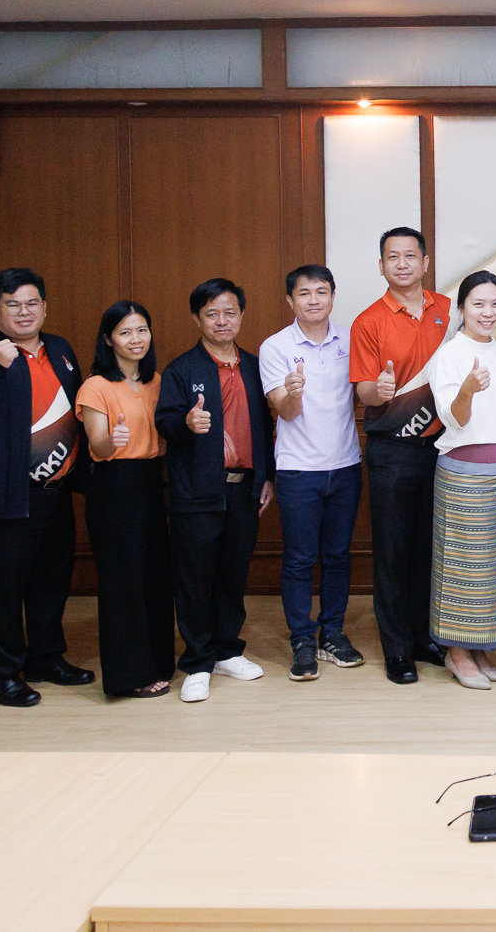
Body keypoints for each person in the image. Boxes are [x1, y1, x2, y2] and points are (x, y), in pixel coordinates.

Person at [0, 267, 93, 707]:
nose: (24, 312)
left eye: (32, 303)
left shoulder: (61, 349)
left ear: (45, 308)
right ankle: (2, 674)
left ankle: (46, 658)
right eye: (12, 305)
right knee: (3, 592)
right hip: (6, 497)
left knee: (51, 583)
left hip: (56, 491)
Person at [156, 279, 274, 704]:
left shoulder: (256, 366)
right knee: (194, 579)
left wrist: (267, 476)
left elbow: (267, 427)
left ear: (241, 316)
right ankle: (197, 661)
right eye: (211, 314)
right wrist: (185, 423)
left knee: (232, 574)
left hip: (244, 490)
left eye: (229, 313)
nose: (221, 321)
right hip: (196, 491)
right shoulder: (182, 369)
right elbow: (164, 422)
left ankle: (226, 650)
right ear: (197, 319)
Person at [350, 227, 453, 685]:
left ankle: (421, 636)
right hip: (392, 449)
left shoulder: (448, 311)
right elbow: (362, 391)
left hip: (443, 447)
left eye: (411, 256)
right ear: (381, 266)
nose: (403, 264)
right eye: (393, 257)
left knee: (430, 548)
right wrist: (379, 390)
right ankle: (396, 649)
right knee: (393, 552)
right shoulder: (368, 321)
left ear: (425, 262)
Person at [260, 265, 366, 683]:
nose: (314, 300)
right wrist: (293, 392)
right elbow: (285, 413)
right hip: (298, 470)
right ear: (290, 301)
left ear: (333, 296)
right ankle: (302, 640)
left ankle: (332, 634)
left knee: (338, 556)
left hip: (345, 465)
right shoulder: (275, 347)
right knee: (300, 559)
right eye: (304, 293)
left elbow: (363, 395)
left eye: (322, 292)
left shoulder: (351, 341)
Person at [427, 271, 496, 688]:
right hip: (464, 476)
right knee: (462, 566)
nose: (488, 312)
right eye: (478, 304)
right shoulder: (449, 355)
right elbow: (455, 418)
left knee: (495, 566)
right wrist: (467, 388)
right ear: (462, 308)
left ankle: (480, 644)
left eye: (495, 304)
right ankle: (456, 652)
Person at [74, 301, 174, 699]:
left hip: (151, 482)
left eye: (142, 330)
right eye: (125, 332)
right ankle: (127, 676)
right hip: (114, 486)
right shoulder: (96, 386)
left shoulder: (157, 381)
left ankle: (158, 663)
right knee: (123, 582)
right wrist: (110, 441)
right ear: (109, 339)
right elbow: (97, 446)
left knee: (154, 577)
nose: (136, 339)